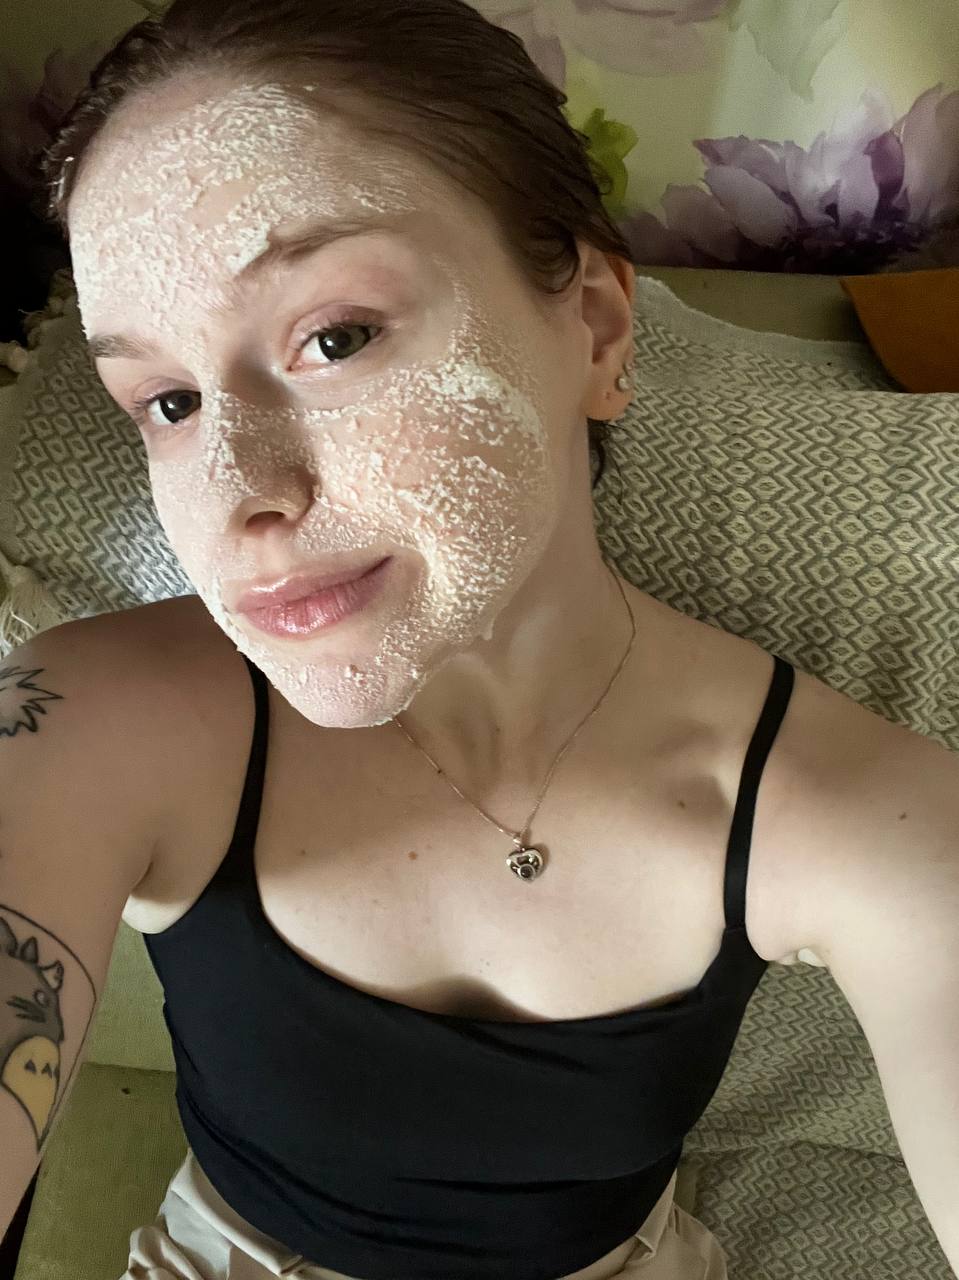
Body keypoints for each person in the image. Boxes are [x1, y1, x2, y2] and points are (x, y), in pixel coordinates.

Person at [12, 0, 817, 1276]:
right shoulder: (90, 719)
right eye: (167, 400)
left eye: (332, 337)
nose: (236, 495)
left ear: (596, 327)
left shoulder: (847, 808)